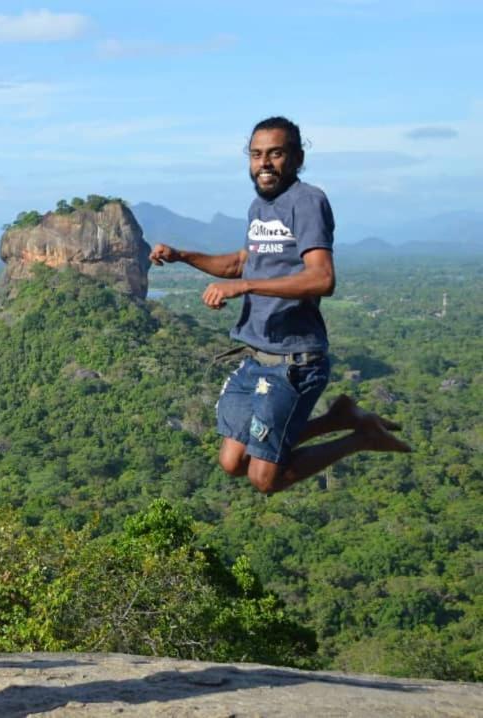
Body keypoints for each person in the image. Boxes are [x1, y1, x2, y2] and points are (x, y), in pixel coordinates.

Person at [149, 116, 409, 494]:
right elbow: (243, 262)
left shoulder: (307, 202)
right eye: (256, 155)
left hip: (294, 363)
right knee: (231, 461)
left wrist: (245, 286)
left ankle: (362, 437)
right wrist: (181, 255)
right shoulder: (260, 206)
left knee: (263, 478)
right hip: (256, 357)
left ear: (297, 157)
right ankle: (339, 417)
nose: (264, 163)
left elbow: (322, 278)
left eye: (275, 154)